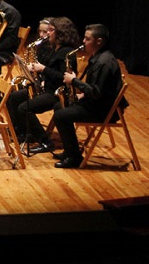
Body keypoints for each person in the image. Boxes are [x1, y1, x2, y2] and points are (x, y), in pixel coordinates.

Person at [49, 24, 127, 169]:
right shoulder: (98, 57)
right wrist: (82, 95)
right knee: (59, 106)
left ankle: (74, 158)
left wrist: (74, 81)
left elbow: (97, 93)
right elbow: (99, 89)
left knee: (61, 115)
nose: (83, 41)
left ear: (99, 41)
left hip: (104, 111)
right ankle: (70, 151)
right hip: (97, 104)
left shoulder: (104, 62)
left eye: (87, 39)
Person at [6, 16, 80, 151]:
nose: (48, 33)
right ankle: (23, 132)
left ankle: (45, 141)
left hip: (57, 93)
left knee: (24, 108)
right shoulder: (54, 48)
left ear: (61, 33)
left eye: (51, 30)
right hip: (46, 87)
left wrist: (43, 69)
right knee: (13, 97)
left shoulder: (66, 52)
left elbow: (63, 77)